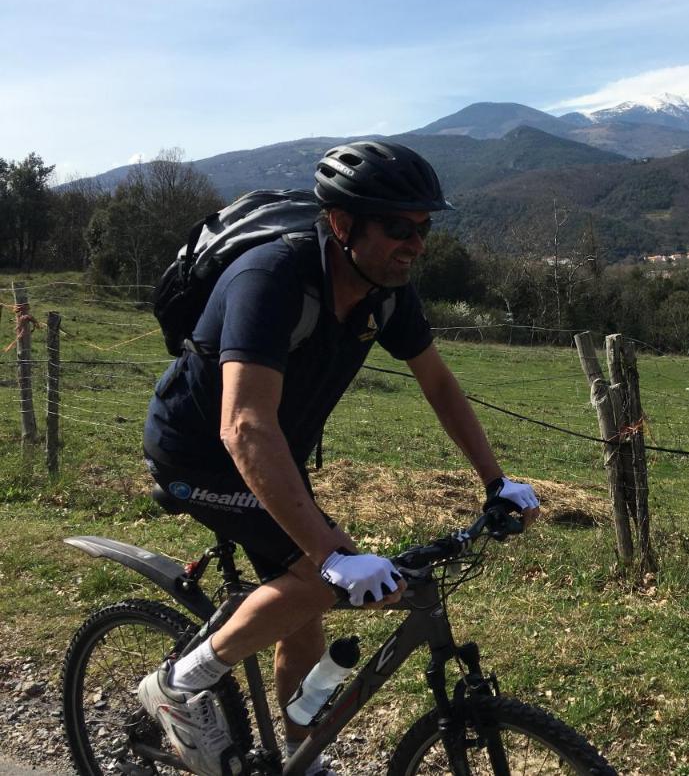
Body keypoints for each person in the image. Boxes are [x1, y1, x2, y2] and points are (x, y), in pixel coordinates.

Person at [137, 141, 540, 776]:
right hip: (198, 455)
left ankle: (302, 750)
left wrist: (497, 481)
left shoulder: (386, 288)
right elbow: (242, 426)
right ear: (341, 224)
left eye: (424, 228)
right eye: (398, 227)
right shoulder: (270, 278)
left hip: (272, 458)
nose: (415, 243)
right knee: (316, 575)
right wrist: (330, 554)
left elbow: (438, 382)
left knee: (307, 613)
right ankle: (180, 684)